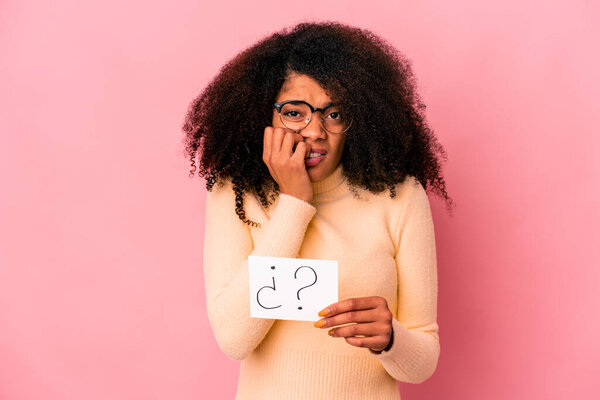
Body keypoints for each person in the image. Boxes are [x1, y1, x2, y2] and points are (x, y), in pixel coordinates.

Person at [182, 21, 453, 400]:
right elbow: (233, 338)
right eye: (294, 112)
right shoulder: (237, 194)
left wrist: (390, 338)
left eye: (334, 114)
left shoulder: (400, 197)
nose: (314, 131)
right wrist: (294, 202)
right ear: (265, 114)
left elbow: (423, 362)